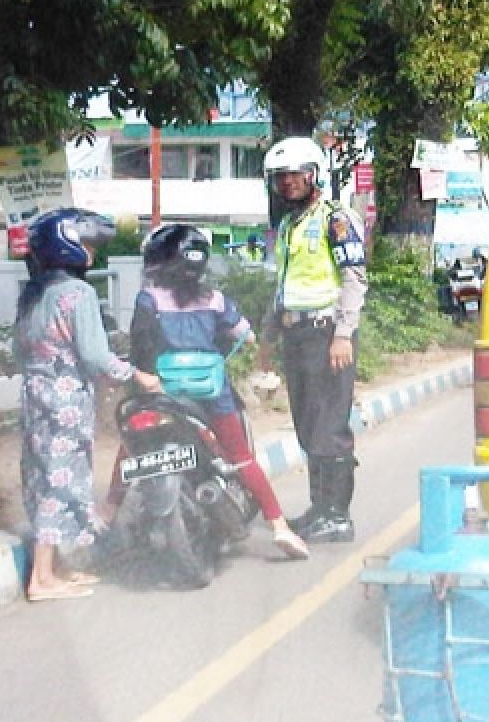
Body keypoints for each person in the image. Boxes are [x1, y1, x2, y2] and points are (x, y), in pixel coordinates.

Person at [103, 224, 309, 560]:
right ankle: (280, 527)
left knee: (131, 447)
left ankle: (108, 511)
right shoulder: (215, 300)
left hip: (160, 393)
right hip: (212, 395)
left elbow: (140, 343)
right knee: (242, 458)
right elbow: (247, 335)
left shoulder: (148, 298)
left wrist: (145, 376)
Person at [16, 207, 161, 601]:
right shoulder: (78, 294)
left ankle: (57, 569)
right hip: (66, 399)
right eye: (88, 244)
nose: (93, 253)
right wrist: (137, 375)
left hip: (36, 396)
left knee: (43, 476)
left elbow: (20, 350)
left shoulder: (33, 295)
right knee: (58, 481)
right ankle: (41, 580)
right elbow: (96, 356)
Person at [259, 136, 368, 543]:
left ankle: (338, 515)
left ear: (314, 175)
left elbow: (354, 279)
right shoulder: (288, 226)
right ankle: (319, 508)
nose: (287, 184)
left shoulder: (334, 218)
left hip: (327, 336)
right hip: (296, 335)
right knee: (307, 427)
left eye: (294, 176)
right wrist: (267, 338)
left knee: (329, 428)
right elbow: (284, 284)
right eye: (280, 179)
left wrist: (344, 334)